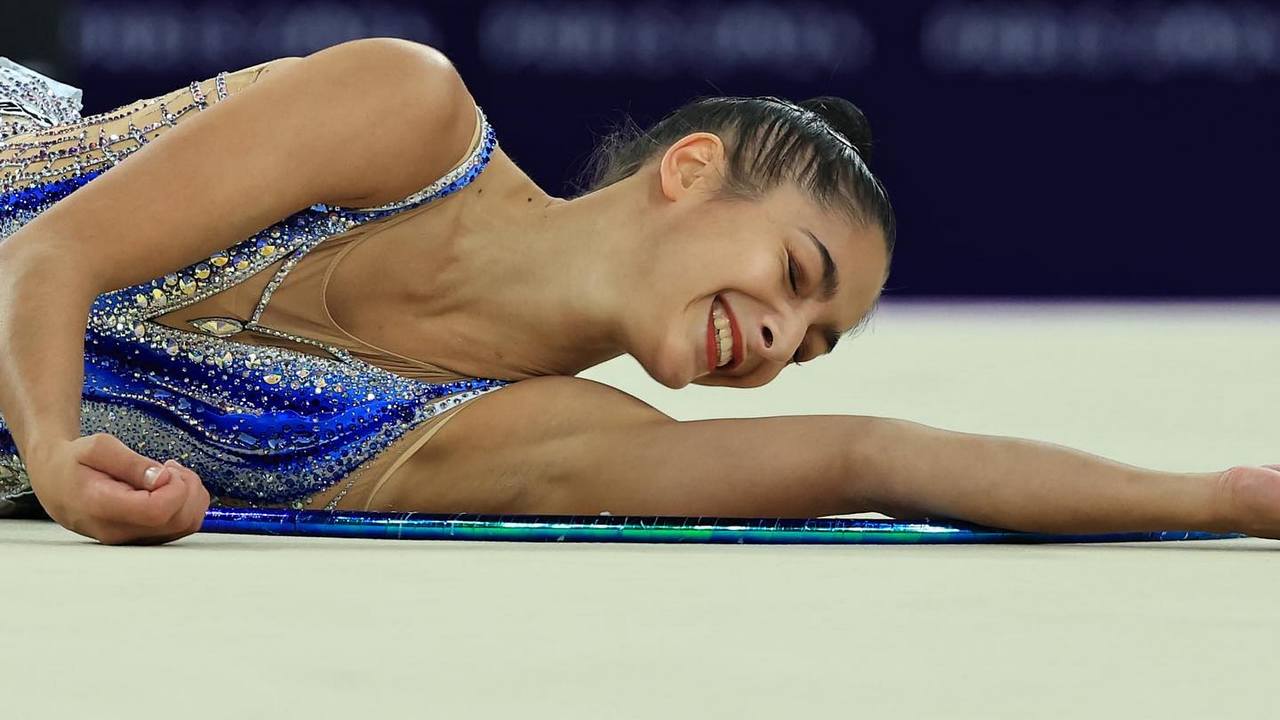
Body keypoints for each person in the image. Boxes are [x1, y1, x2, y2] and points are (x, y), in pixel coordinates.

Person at [0, 38, 1275, 545]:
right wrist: (55, 453)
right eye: (792, 275)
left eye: (811, 342)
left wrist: (1222, 500)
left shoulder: (526, 439)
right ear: (689, 170)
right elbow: (46, 253)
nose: (778, 339)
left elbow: (880, 457)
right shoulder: (404, 114)